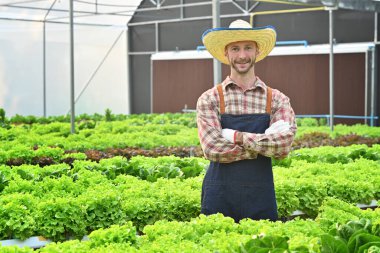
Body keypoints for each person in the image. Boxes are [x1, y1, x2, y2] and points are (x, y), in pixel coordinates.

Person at [196, 19, 297, 222]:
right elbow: (213, 149)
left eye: (248, 48)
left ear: (257, 50)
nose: (242, 55)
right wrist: (263, 143)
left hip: (261, 197)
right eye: (235, 49)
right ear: (226, 53)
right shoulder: (210, 98)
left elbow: (283, 146)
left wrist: (236, 136)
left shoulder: (276, 99)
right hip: (219, 196)